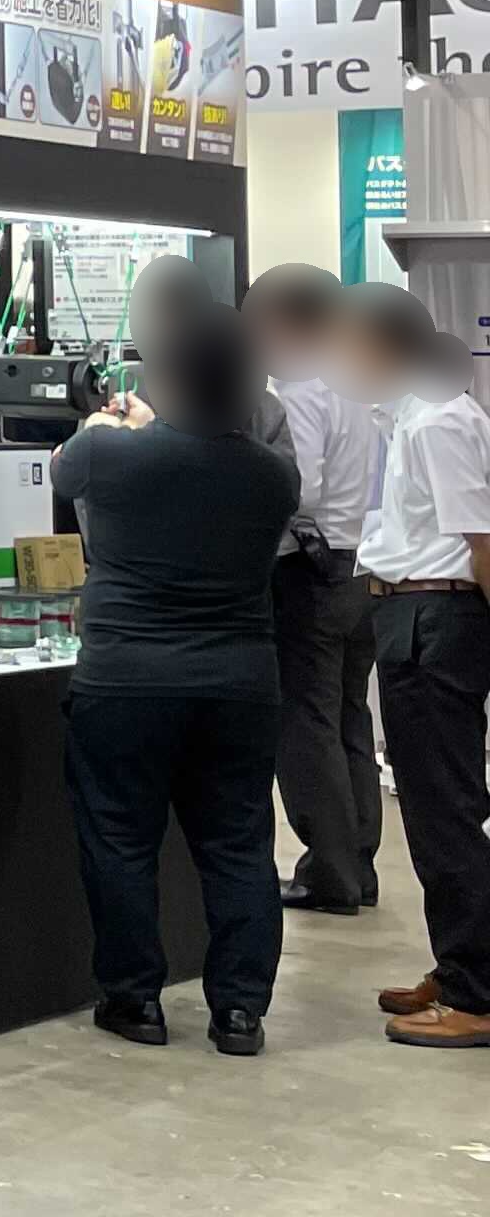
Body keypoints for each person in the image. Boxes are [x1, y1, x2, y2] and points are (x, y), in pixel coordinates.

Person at [53, 309, 299, 1054]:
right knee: (238, 844)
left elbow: (64, 469)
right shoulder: (273, 476)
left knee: (120, 840)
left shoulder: (107, 453)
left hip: (125, 679)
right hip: (240, 682)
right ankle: (240, 1011)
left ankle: (135, 1000)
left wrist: (119, 424)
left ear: (167, 375)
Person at [355, 288, 490, 1051]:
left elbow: (481, 539)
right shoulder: (410, 417)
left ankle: (476, 992)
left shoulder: (438, 421)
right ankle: (462, 963)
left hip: (436, 618)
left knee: (446, 813)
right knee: (435, 809)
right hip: (412, 615)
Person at [250, 265, 387, 916]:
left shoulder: (300, 385)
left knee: (307, 724)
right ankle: (358, 864)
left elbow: (297, 488)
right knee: (349, 716)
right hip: (359, 564)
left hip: (310, 570)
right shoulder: (354, 378)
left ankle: (329, 872)